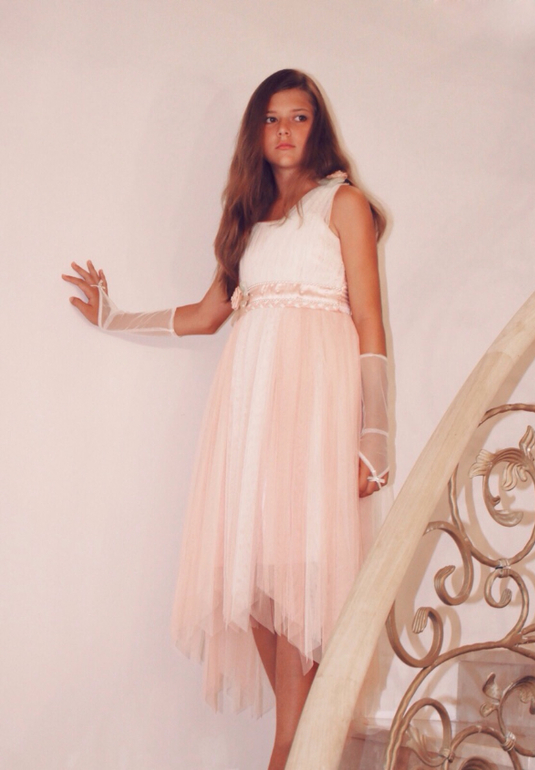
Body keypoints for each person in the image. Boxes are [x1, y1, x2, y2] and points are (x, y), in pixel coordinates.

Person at [62, 69, 389, 770]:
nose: (284, 131)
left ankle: (289, 747)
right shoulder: (248, 217)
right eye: (271, 119)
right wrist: (114, 316)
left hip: (316, 407)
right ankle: (304, 737)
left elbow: (369, 321)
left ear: (317, 128)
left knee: (299, 566)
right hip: (251, 409)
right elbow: (207, 315)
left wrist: (374, 437)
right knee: (259, 577)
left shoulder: (343, 203)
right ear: (255, 133)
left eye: (298, 117)